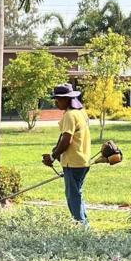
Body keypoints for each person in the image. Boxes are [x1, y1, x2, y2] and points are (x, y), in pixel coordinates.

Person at [43, 82, 92, 226]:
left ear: (67, 99)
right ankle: (84, 224)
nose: (56, 102)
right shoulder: (80, 113)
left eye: (58, 99)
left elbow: (67, 139)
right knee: (77, 193)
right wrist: (56, 152)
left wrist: (53, 156)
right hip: (82, 160)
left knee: (72, 196)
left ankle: (81, 226)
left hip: (73, 162)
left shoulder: (70, 115)